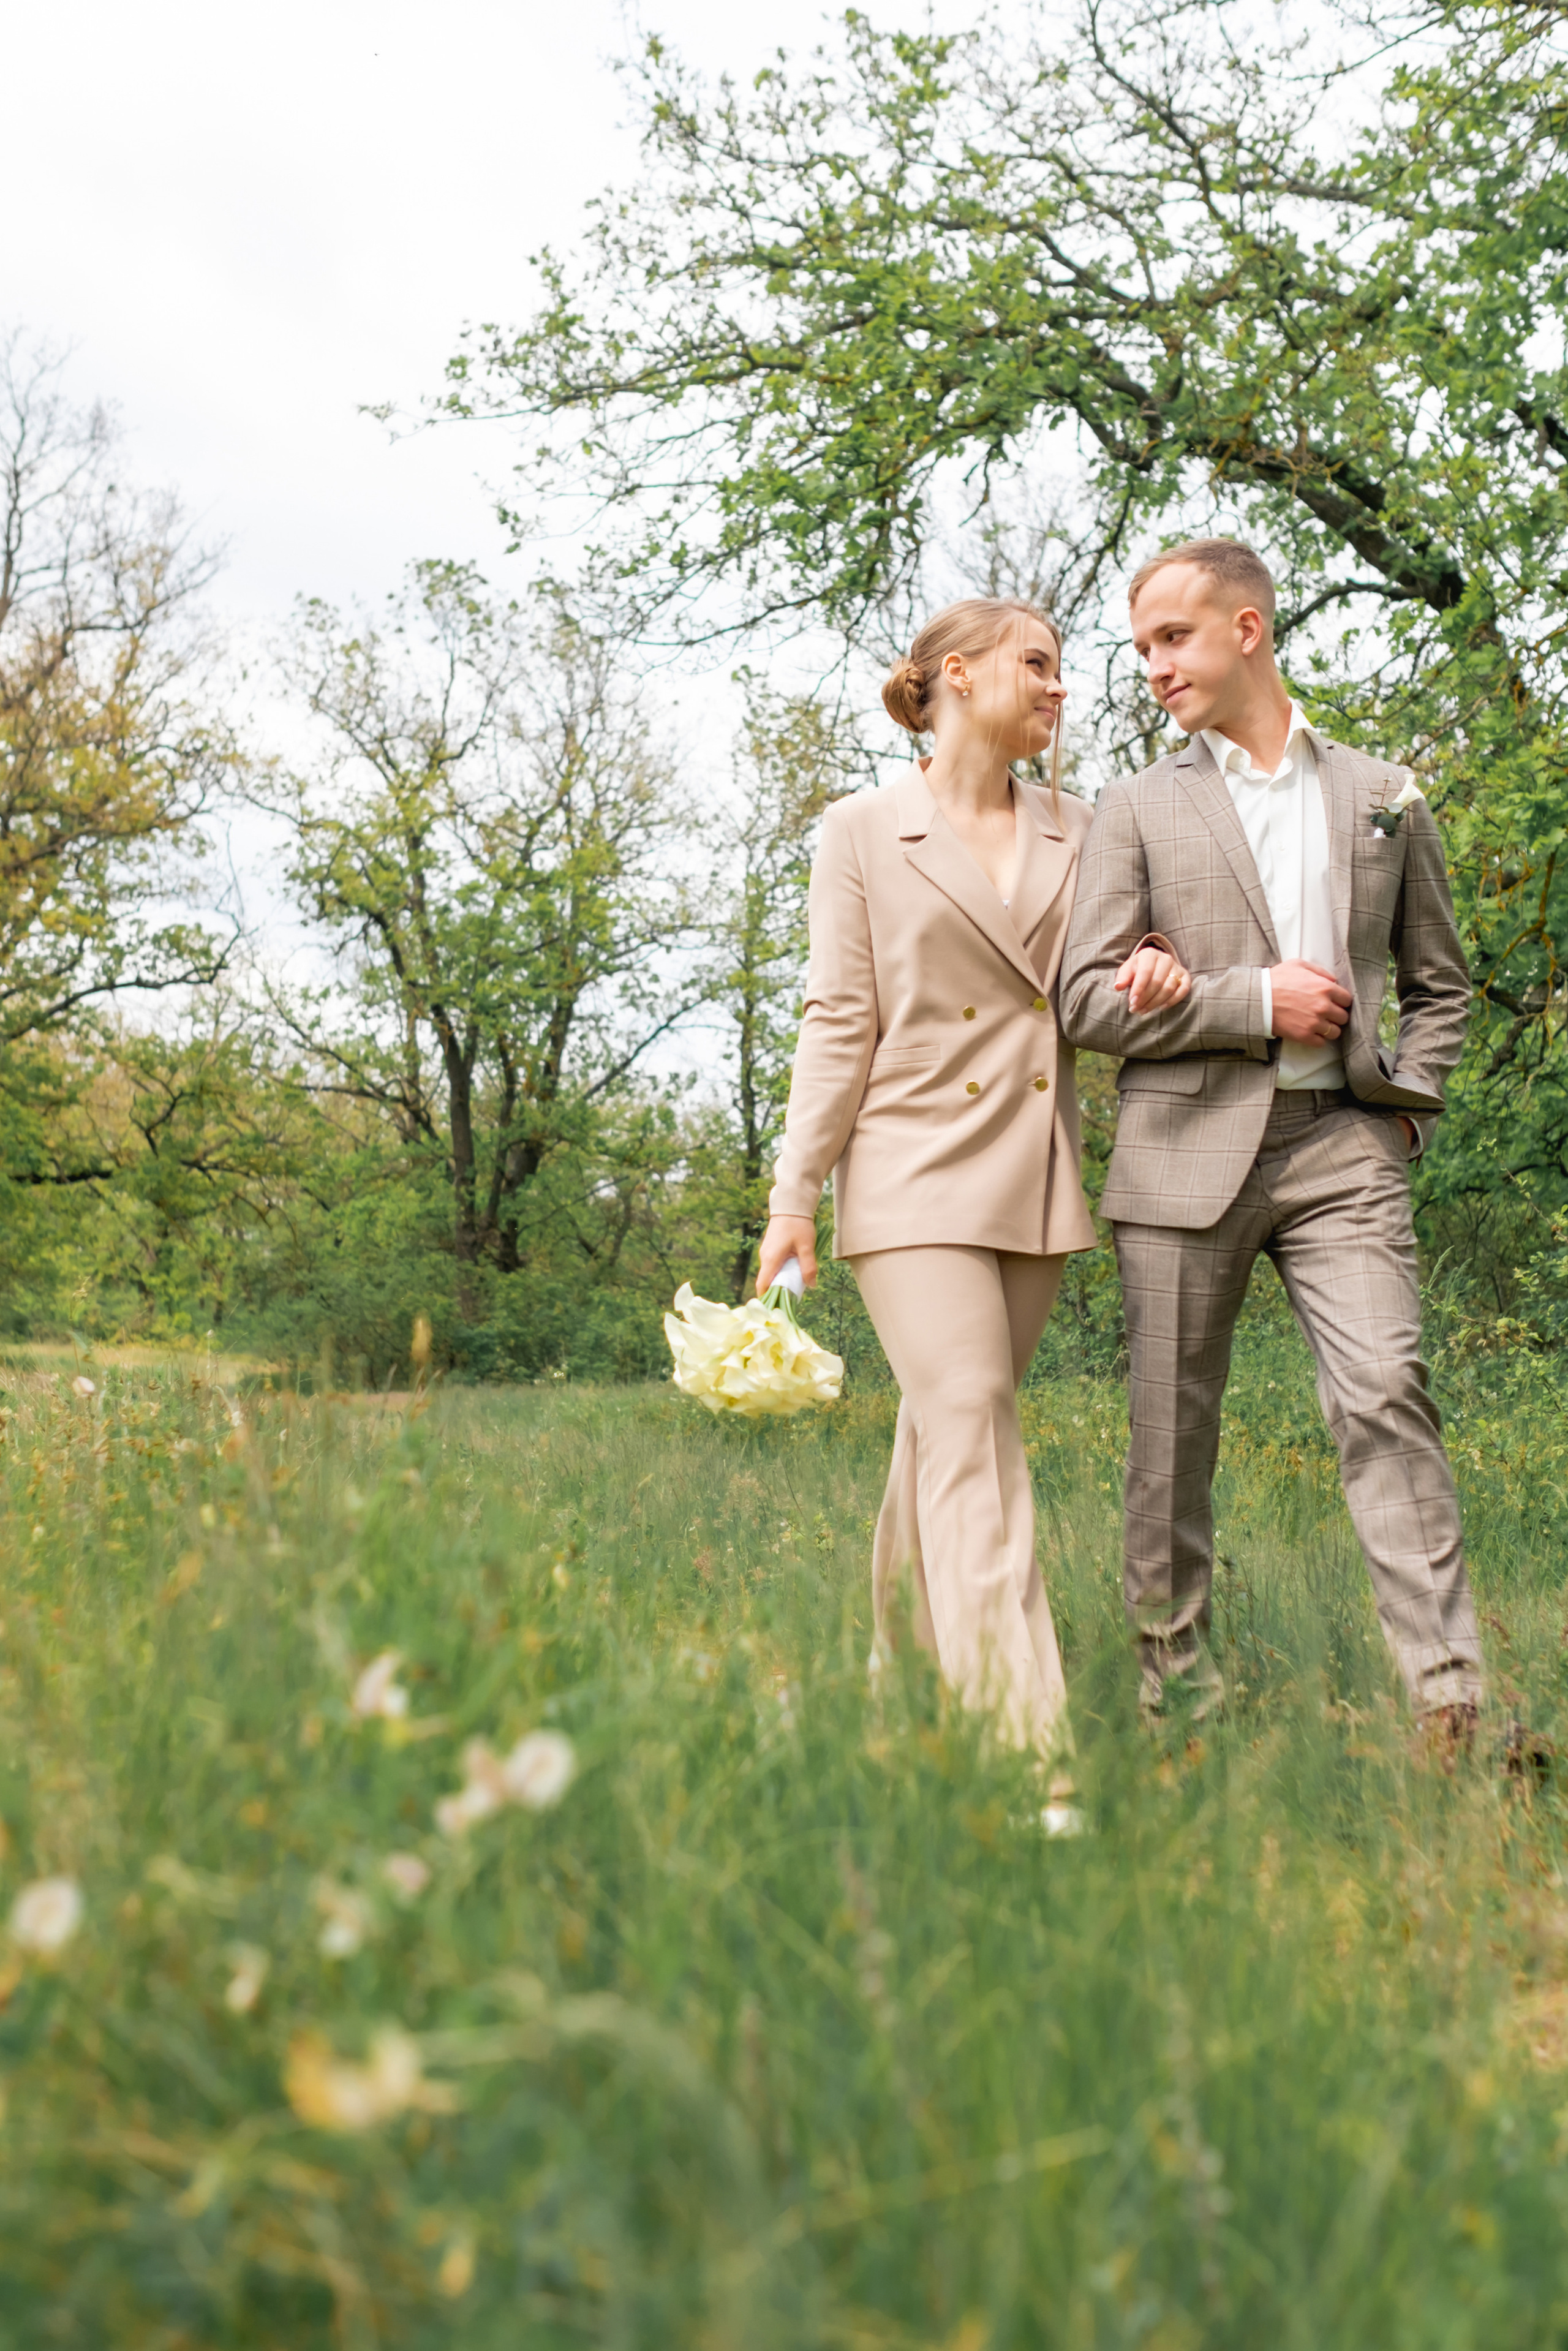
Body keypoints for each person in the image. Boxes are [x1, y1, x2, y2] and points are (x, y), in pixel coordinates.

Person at [756, 597, 1190, 1775]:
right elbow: (838, 1020)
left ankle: (891, 1716)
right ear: (960, 672)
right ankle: (1026, 1756)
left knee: (942, 1436)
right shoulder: (861, 829)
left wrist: (1155, 965)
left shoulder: (1087, 827)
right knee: (975, 1431)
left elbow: (1106, 983)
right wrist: (796, 1194)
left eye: (1064, 671)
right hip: (904, 1171)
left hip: (1031, 1178)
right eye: (1039, 665)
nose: (1062, 687)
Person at [1058, 538, 1482, 1739]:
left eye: (1171, 638)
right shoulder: (1136, 805)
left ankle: (1449, 1708)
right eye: (1139, 647)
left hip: (1340, 1147)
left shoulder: (1383, 795)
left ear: (1246, 628)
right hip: (1177, 1160)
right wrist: (1249, 1001)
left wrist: (1408, 1105)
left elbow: (1437, 984)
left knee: (1386, 1394)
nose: (1150, 667)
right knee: (1169, 1442)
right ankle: (1173, 1704)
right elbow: (1081, 1000)